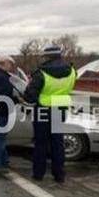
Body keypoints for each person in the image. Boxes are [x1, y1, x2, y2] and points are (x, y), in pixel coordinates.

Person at [23, 45, 76, 183]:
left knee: (41, 143)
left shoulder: (40, 73)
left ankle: (38, 174)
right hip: (60, 109)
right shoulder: (71, 71)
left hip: (43, 109)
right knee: (57, 143)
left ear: (47, 56)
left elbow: (30, 95)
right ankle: (59, 175)